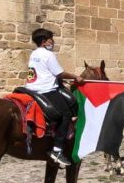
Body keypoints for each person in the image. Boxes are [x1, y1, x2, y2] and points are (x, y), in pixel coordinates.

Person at [25, 28, 84, 167]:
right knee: (66, 114)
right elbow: (60, 73)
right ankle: (57, 150)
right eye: (51, 39)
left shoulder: (34, 54)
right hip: (45, 90)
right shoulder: (48, 54)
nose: (53, 41)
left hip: (30, 88)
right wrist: (76, 77)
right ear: (44, 41)